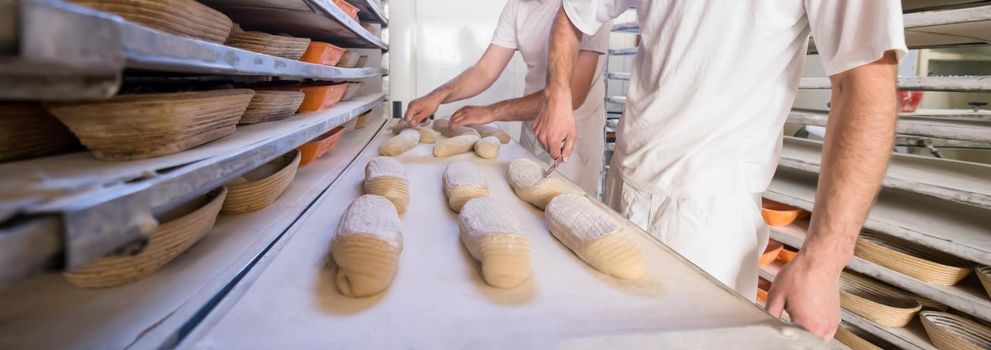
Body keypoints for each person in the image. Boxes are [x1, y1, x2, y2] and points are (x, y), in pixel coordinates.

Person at [536, 0, 906, 340]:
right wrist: (558, 95)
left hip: (708, 222)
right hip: (622, 189)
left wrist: (823, 263)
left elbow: (867, 83)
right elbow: (572, 13)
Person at [403, 0, 612, 194]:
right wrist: (436, 96)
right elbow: (484, 70)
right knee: (527, 211)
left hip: (573, 137)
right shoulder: (516, 6)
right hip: (532, 129)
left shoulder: (588, 4)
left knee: (568, 214)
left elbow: (574, 93)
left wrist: (492, 111)